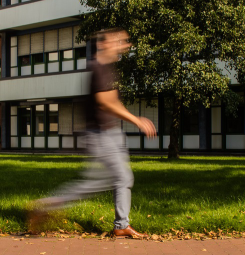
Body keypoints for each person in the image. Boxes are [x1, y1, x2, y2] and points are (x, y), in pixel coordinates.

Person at [28, 28, 157, 238]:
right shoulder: (97, 67)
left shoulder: (108, 68)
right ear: (105, 44)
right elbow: (105, 103)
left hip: (112, 133)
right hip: (100, 135)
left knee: (121, 179)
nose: (125, 45)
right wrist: (137, 120)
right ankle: (47, 206)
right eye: (120, 41)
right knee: (101, 182)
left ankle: (121, 225)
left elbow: (113, 99)